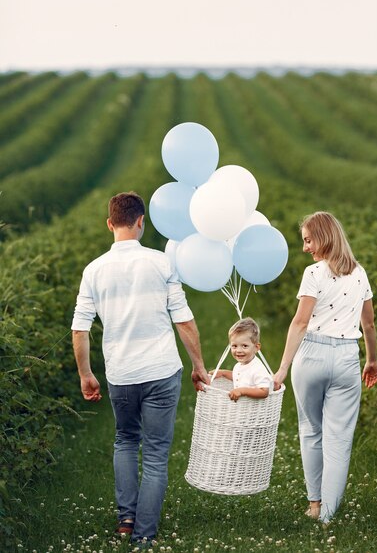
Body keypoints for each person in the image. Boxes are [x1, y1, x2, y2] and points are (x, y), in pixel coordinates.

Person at [71, 191, 210, 549]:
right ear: (140, 222)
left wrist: (86, 374)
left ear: (109, 224)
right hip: (162, 370)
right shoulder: (161, 263)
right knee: (157, 452)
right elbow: (185, 321)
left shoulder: (93, 270)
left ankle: (126, 520)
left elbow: (80, 329)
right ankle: (145, 534)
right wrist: (199, 366)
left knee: (125, 441)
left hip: (121, 374)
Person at [273, 211, 377, 524]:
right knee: (339, 439)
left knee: (311, 432)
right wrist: (372, 360)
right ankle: (328, 516)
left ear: (323, 236)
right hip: (347, 358)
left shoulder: (313, 274)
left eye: (308, 239)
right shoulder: (360, 274)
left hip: (311, 356)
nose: (306, 247)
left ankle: (315, 504)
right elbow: (369, 323)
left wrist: (282, 368)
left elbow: (300, 322)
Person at [212, 317, 271, 401]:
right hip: (242, 411)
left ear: (256, 347)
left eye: (245, 346)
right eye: (234, 346)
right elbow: (241, 377)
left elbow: (264, 392)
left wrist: (242, 391)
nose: (239, 350)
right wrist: (223, 373)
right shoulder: (240, 365)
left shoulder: (257, 368)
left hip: (254, 410)